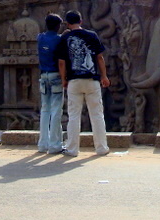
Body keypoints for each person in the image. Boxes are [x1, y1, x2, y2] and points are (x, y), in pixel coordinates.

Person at [55, 10, 111, 156]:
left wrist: (63, 80)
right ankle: (101, 148)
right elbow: (99, 58)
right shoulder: (91, 35)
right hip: (92, 79)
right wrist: (104, 76)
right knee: (97, 114)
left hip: (74, 80)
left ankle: (72, 149)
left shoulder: (65, 37)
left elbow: (61, 62)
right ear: (81, 21)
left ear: (67, 23)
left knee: (73, 116)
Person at [37, 13, 64, 154]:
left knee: (45, 109)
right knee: (56, 110)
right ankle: (54, 144)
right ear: (57, 26)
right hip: (55, 76)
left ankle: (43, 144)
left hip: (43, 76)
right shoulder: (59, 39)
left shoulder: (40, 38)